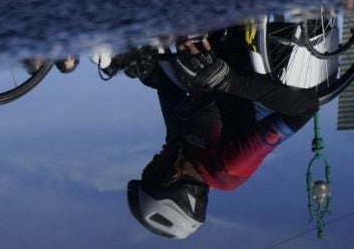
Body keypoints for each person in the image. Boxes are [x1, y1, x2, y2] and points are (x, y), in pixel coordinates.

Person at [126, 31, 319, 239]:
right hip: (262, 67)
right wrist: (228, 81)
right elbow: (306, 108)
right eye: (152, 168)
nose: (155, 157)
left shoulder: (178, 148)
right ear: (171, 177)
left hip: (218, 59)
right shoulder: (229, 167)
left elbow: (168, 90)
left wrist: (139, 68)